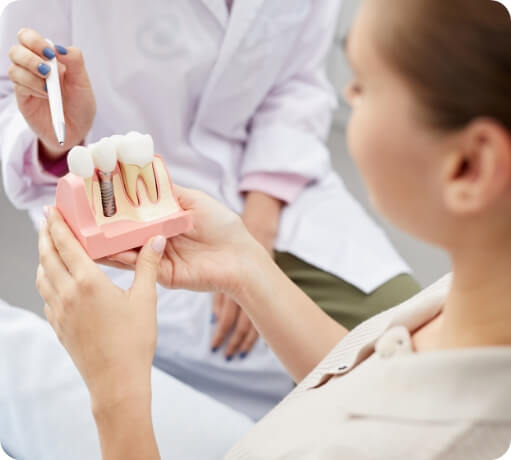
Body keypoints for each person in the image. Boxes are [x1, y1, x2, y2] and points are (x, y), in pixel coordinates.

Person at [34, 0, 511, 458]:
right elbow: (378, 389)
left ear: (468, 166)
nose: (345, 95)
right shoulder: (465, 305)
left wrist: (116, 391)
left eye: (362, 86)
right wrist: (245, 266)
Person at [0, 0, 419, 421]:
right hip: (121, 208)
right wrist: (58, 138)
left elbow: (297, 82)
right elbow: (15, 96)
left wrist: (260, 217)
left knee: (406, 340)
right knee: (354, 395)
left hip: (277, 187)